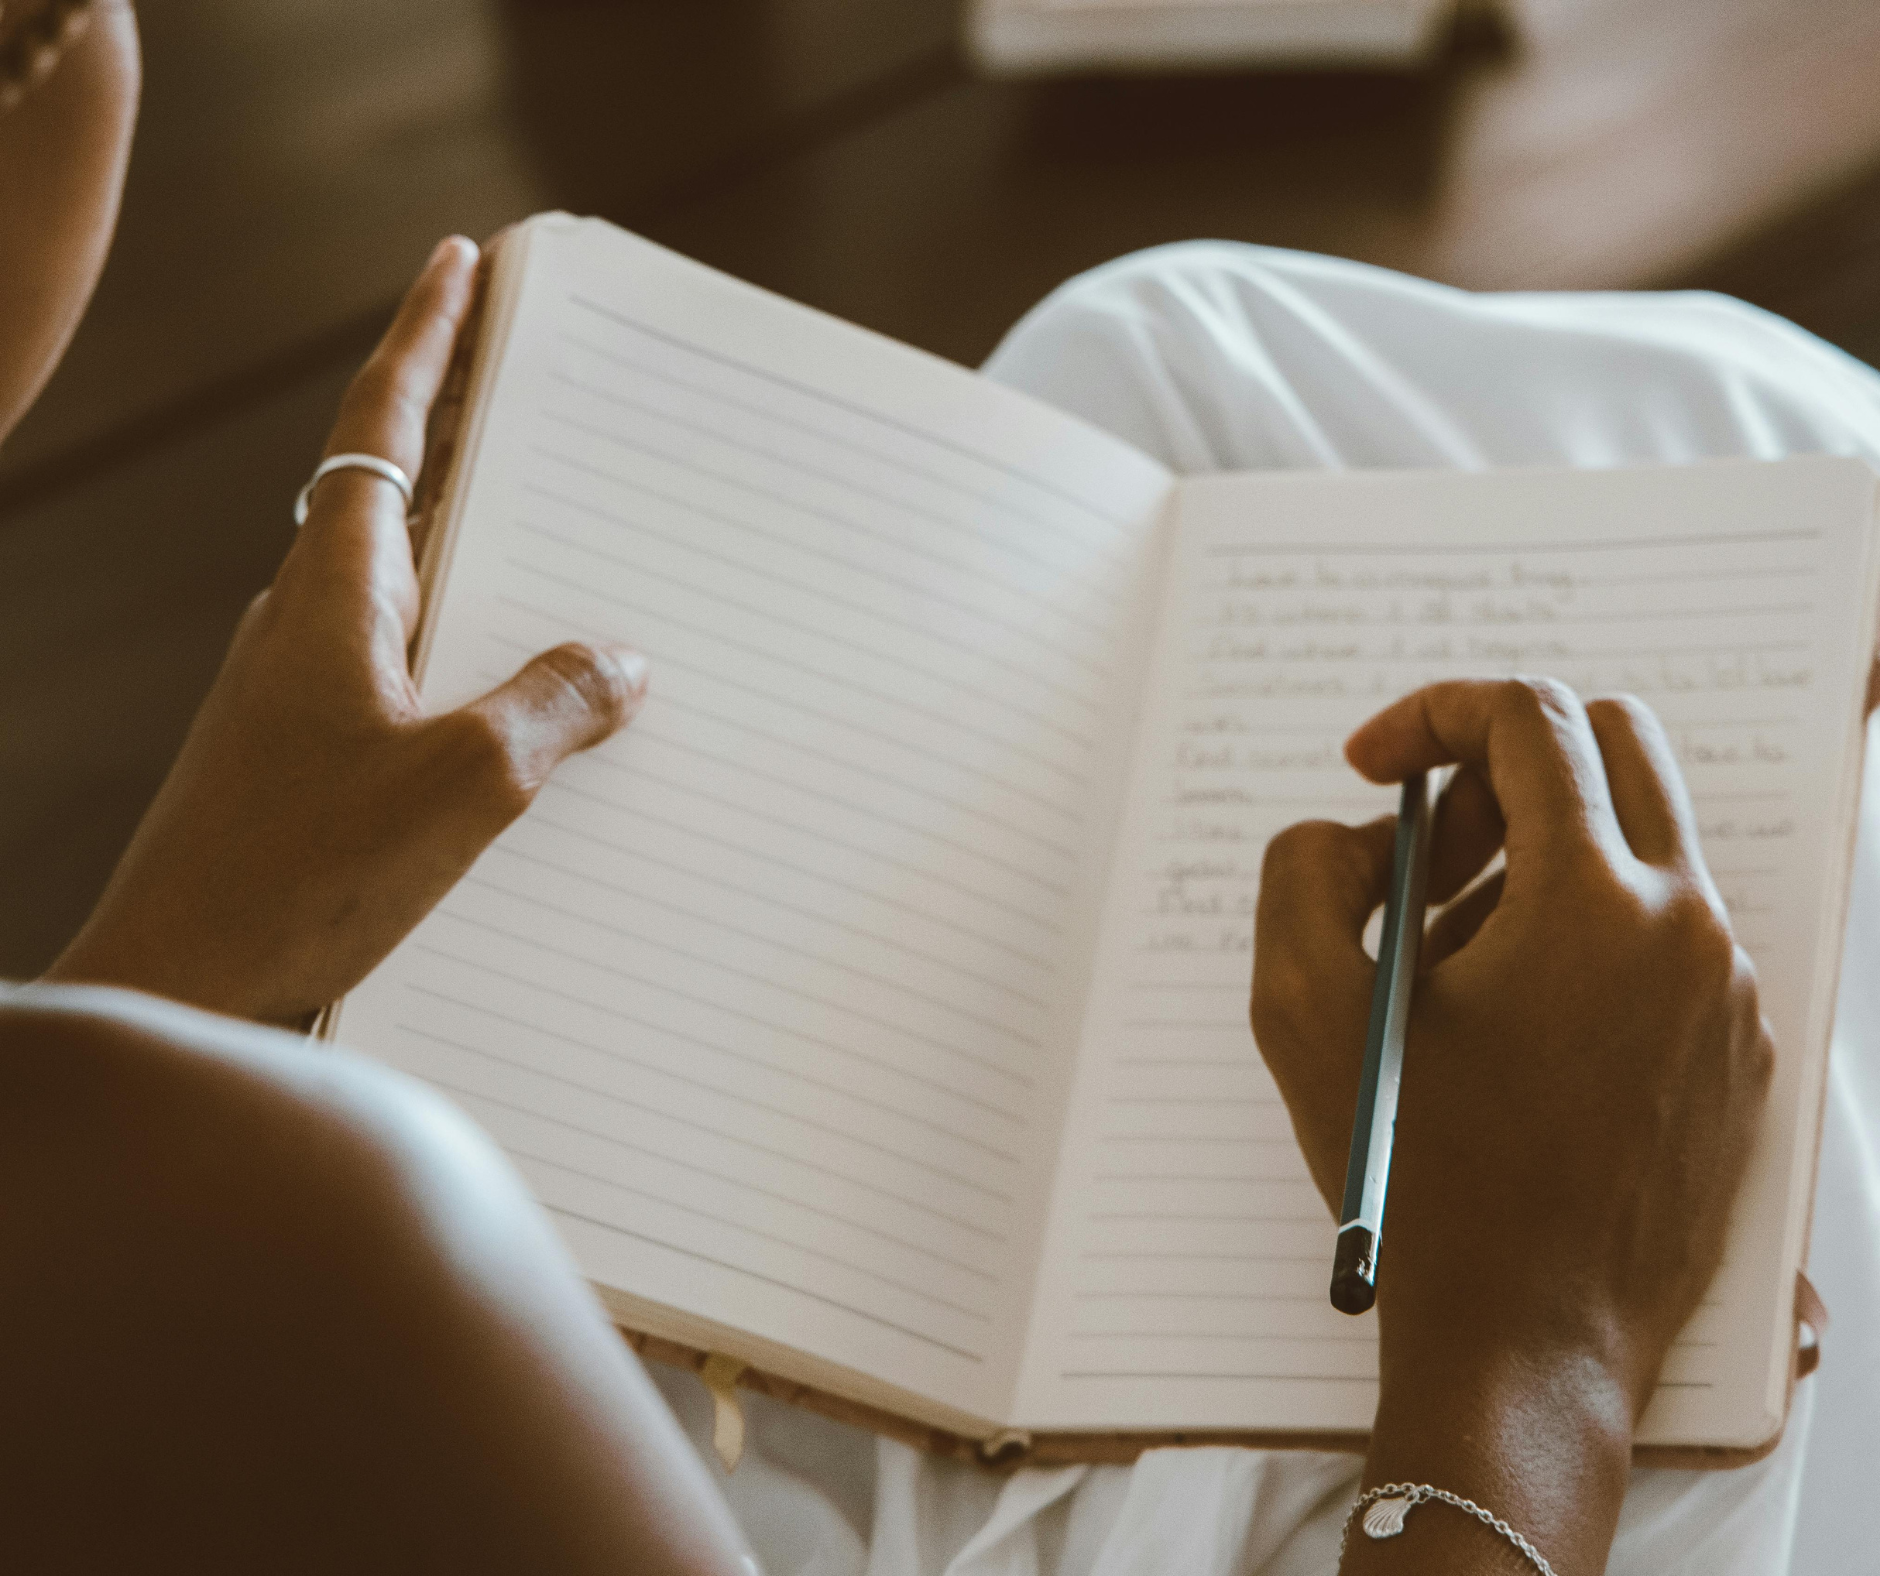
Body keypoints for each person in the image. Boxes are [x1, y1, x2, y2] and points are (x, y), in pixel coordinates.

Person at [2, 6, 1875, 1573]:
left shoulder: (173, 1154)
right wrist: (1529, 1354)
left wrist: (150, 971)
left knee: (1153, 362)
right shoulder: (301, 1222)